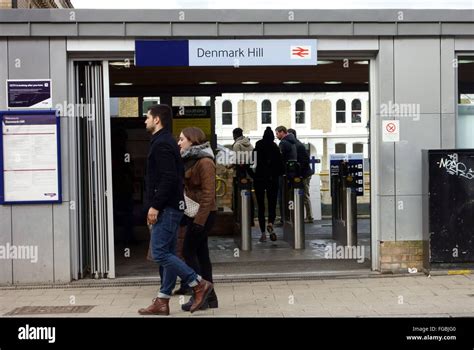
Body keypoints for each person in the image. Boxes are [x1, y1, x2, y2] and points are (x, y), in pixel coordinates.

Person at [138, 104, 213, 316]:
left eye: (147, 117)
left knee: (160, 253)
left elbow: (169, 178)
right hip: (173, 207)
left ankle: (198, 284)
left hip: (166, 208)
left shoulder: (162, 143)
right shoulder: (168, 141)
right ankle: (162, 300)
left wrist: (155, 205)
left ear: (157, 120)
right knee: (169, 252)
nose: (145, 121)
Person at [178, 127, 219, 311]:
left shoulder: (205, 161)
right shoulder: (189, 160)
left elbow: (209, 195)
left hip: (204, 214)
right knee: (202, 255)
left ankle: (199, 293)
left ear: (192, 140)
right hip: (193, 214)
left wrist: (199, 221)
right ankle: (210, 299)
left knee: (188, 251)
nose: (179, 142)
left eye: (181, 139)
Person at [252, 127, 284, 242]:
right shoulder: (275, 149)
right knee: (272, 204)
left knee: (261, 207)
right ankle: (270, 223)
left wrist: (254, 176)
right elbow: (281, 168)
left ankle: (263, 234)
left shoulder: (257, 149)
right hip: (272, 180)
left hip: (259, 180)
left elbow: (252, 165)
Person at [288, 128, 315, 223]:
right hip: (303, 174)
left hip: (304, 175)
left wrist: (299, 173)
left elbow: (305, 160)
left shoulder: (298, 146)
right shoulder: (296, 145)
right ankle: (306, 216)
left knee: (305, 195)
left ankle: (309, 216)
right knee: (304, 195)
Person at [274, 126, 298, 226]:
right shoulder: (293, 142)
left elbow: (279, 159)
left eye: (277, 133)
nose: (276, 135)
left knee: (282, 197)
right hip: (292, 173)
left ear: (282, 132)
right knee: (290, 196)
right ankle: (290, 217)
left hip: (284, 173)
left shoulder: (283, 143)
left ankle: (284, 219)